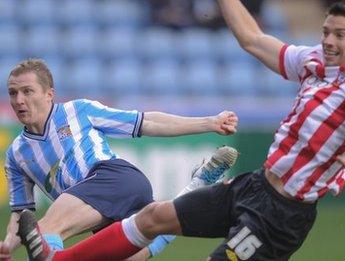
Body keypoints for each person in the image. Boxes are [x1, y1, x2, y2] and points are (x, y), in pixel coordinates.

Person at [17, 1, 345, 260]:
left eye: (339, 35)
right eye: (326, 31)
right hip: (255, 186)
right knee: (152, 219)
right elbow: (252, 39)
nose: (328, 41)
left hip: (282, 215)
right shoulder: (313, 63)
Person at [0, 59, 239, 260]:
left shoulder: (78, 111)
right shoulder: (16, 154)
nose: (19, 100)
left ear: (49, 94)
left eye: (27, 91)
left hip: (115, 178)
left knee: (48, 231)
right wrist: (8, 245)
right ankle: (199, 182)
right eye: (13, 93)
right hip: (98, 214)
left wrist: (209, 123)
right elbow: (21, 214)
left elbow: (147, 122)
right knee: (145, 241)